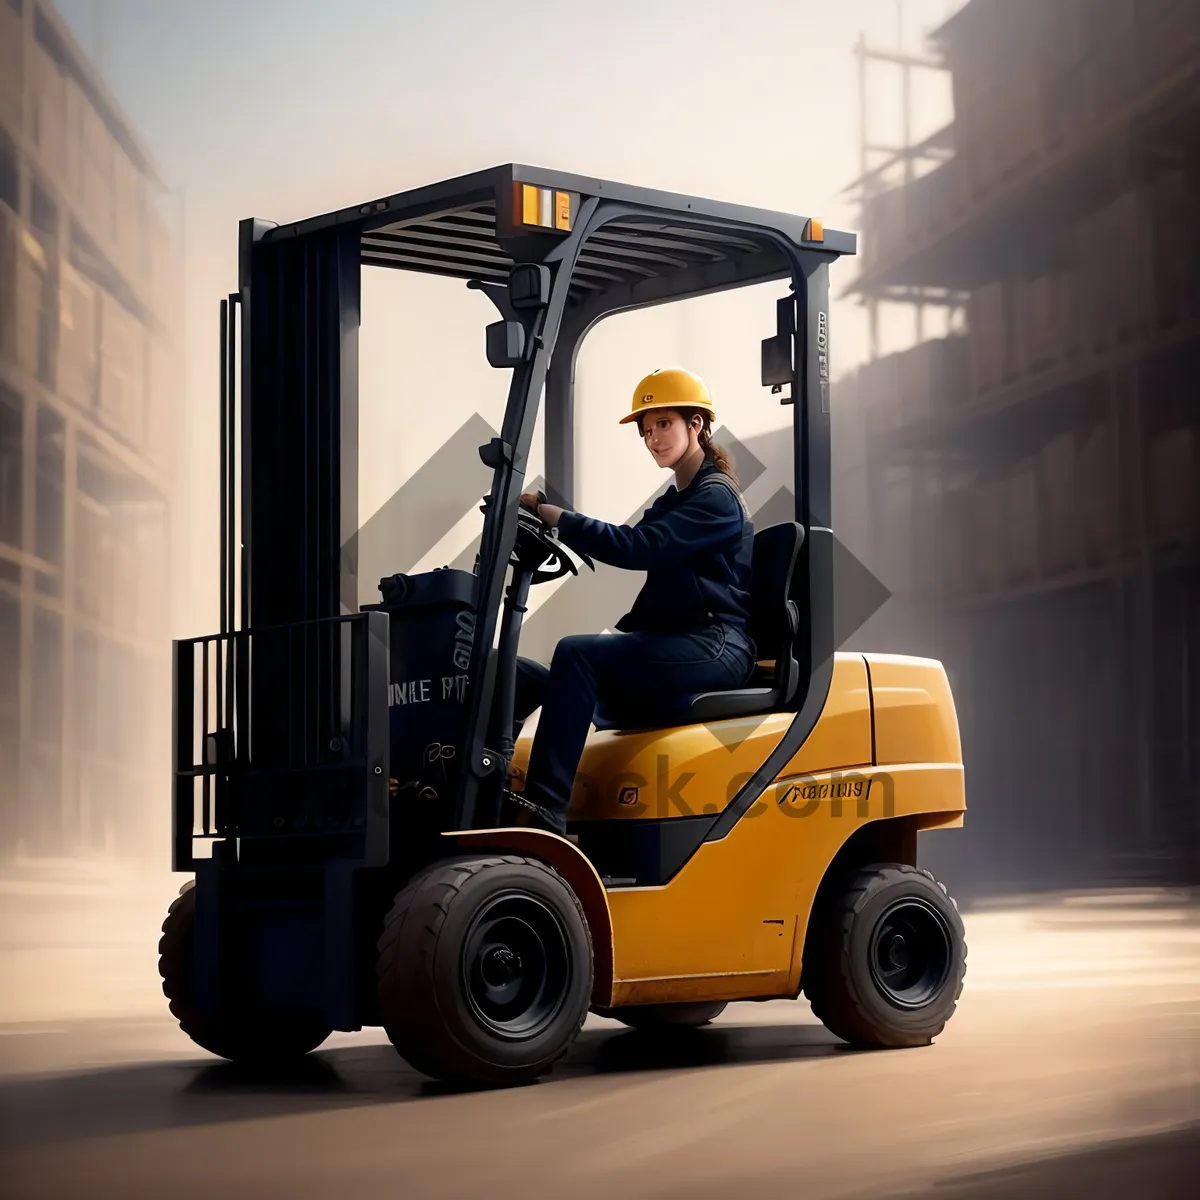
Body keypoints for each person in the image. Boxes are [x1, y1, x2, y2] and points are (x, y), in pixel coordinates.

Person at [502, 367, 757, 835]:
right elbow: (633, 538)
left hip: (716, 643)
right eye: (646, 430)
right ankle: (498, 781)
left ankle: (543, 811)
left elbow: (640, 548)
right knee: (513, 671)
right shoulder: (674, 498)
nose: (653, 438)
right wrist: (549, 519)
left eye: (664, 424)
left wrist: (556, 516)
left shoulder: (715, 497)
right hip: (681, 638)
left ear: (695, 424)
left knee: (577, 654)